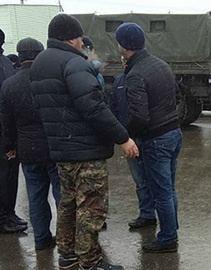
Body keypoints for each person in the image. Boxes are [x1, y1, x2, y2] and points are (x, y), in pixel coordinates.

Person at [30, 14, 138, 270]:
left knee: (67, 206)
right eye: (79, 38)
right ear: (70, 38)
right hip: (86, 153)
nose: (82, 43)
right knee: (91, 211)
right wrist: (123, 138)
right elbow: (94, 107)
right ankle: (91, 262)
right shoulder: (74, 64)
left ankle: (67, 257)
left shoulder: (39, 64)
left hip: (61, 151)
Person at [115, 22, 182, 253]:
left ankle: (167, 239)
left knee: (160, 192)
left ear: (124, 47)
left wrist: (127, 136)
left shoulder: (135, 75)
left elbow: (140, 117)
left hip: (156, 139)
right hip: (173, 133)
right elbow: (177, 96)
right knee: (169, 188)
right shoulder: (161, 65)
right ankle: (171, 227)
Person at [0, 37, 61, 250]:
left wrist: (9, 147)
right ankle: (66, 240)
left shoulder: (9, 85)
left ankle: (42, 240)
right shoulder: (51, 80)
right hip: (54, 147)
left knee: (36, 197)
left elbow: (6, 123)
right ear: (40, 53)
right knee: (62, 196)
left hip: (27, 150)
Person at [109, 56, 157, 230]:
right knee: (140, 179)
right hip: (129, 139)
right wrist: (120, 134)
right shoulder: (119, 81)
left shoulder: (147, 76)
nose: (124, 60)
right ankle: (147, 214)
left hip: (150, 137)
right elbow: (112, 108)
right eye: (122, 58)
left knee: (156, 177)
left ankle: (163, 214)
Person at [0, 28, 27, 234]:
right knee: (4, 174)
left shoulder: (5, 62)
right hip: (5, 129)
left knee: (10, 174)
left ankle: (9, 212)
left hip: (8, 129)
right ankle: (3, 217)